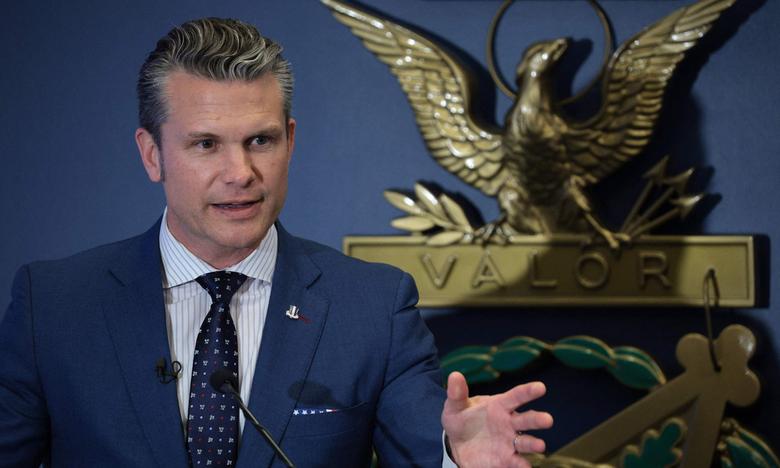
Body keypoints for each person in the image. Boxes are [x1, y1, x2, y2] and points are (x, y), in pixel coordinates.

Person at [0, 18, 552, 467]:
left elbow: (424, 450)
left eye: (260, 140)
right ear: (152, 155)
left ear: (290, 141)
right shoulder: (54, 307)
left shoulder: (372, 308)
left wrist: (456, 457)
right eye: (206, 144)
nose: (240, 173)